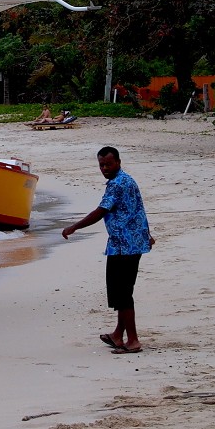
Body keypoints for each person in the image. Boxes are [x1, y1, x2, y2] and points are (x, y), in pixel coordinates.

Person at [61, 145, 153, 353]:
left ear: (118, 162)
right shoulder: (128, 180)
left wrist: (74, 226)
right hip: (132, 243)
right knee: (123, 293)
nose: (105, 168)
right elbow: (139, 208)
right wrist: (147, 234)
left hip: (123, 246)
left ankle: (133, 341)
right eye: (101, 165)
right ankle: (117, 336)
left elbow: (100, 212)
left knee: (122, 294)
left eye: (109, 164)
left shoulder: (117, 185)